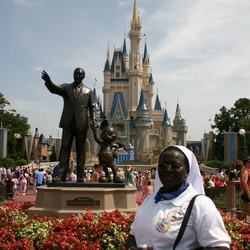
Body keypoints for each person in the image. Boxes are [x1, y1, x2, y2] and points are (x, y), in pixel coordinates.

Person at [126, 145, 231, 250]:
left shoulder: (199, 204)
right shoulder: (150, 201)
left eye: (175, 166)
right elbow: (133, 235)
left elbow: (220, 247)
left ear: (187, 171)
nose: (168, 170)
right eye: (162, 165)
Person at [42, 68, 96, 182]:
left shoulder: (88, 91)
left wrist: (94, 120)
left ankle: (80, 175)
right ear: (73, 75)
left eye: (80, 74)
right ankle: (61, 175)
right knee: (65, 148)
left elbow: (92, 107)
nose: (77, 76)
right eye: (76, 74)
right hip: (68, 122)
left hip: (82, 123)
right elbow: (54, 89)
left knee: (81, 149)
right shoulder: (66, 88)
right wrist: (48, 81)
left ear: (83, 77)